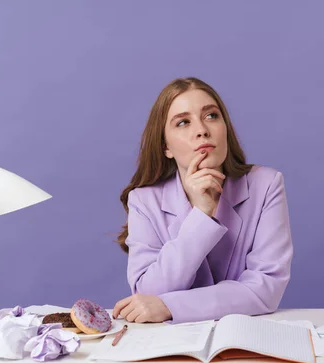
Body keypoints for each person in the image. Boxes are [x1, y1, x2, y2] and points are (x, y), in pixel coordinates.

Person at [111, 77, 293, 324]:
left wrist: (170, 306)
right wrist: (201, 214)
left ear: (225, 128)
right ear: (166, 146)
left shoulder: (266, 185)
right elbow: (147, 294)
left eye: (211, 116)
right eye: (183, 122)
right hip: (170, 348)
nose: (202, 130)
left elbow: (266, 288)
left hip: (245, 342)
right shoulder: (143, 201)